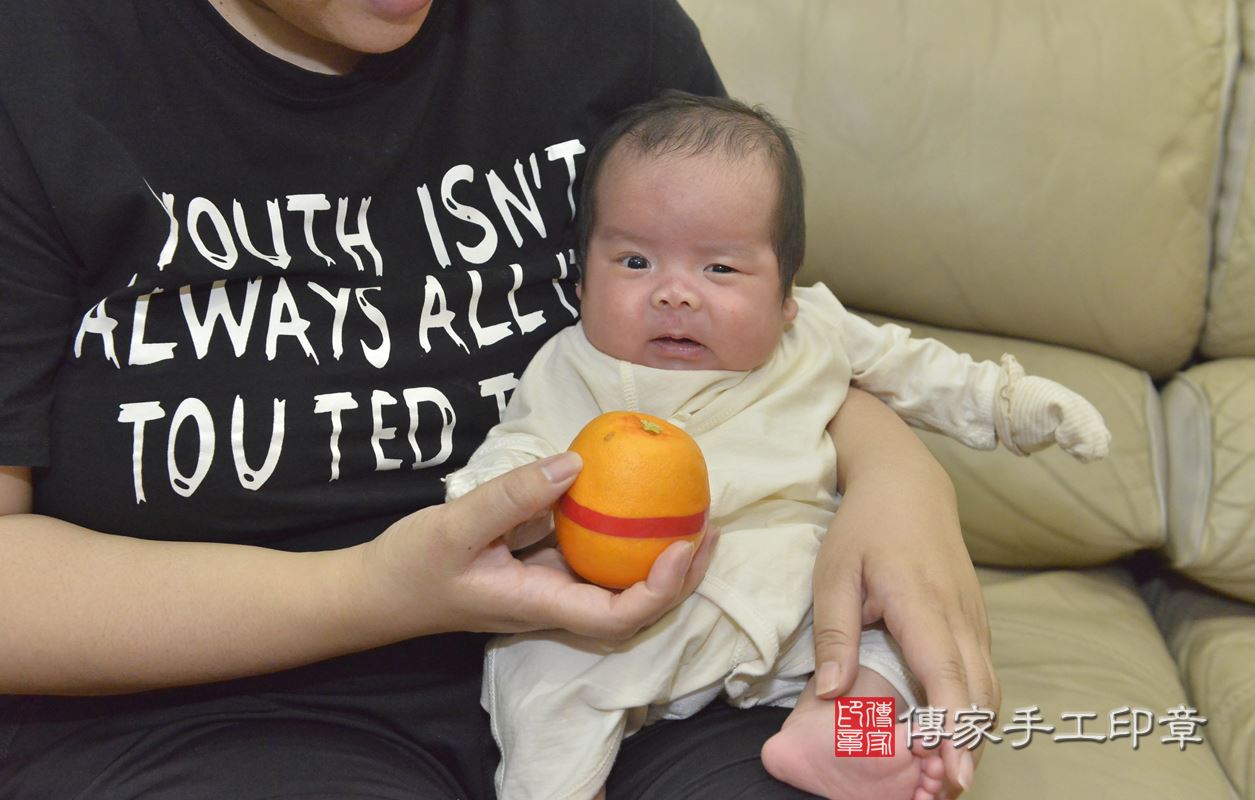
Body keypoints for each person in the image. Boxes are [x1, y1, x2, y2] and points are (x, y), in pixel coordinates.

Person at [0, 2, 998, 798]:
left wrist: (895, 474)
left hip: (664, 655)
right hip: (230, 707)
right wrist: (373, 589)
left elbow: (753, 325)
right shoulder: (40, 70)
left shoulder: (608, 31)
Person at [444, 91, 1110, 800]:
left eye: (720, 270)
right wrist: (492, 503)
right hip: (619, 622)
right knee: (540, 678)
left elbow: (916, 370)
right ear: (581, 282)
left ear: (786, 295)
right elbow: (522, 449)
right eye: (634, 262)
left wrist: (1013, 404)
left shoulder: (813, 331)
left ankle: (836, 739)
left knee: (896, 642)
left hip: (799, 593)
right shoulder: (574, 366)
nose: (674, 293)